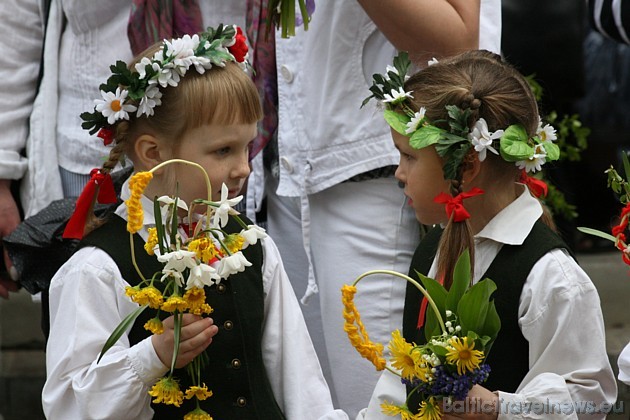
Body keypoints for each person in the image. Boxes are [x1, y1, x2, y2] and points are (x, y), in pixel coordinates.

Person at [41, 25, 347, 420]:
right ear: (152, 152)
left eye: (247, 147)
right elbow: (69, 407)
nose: (243, 168)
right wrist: (151, 357)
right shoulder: (97, 269)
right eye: (223, 150)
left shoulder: (252, 246)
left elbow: (302, 385)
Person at [245, 1, 502, 416]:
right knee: (305, 400)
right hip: (290, 167)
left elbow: (457, 39)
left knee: (380, 400)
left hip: (376, 172)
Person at [358, 50, 617, 419]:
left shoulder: (550, 278)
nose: (399, 173)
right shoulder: (433, 248)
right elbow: (401, 384)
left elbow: (591, 400)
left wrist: (498, 408)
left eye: (409, 157)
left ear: (466, 165)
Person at [0, 0, 249, 297]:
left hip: (230, 131)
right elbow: (14, 26)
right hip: (89, 154)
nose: (243, 167)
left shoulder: (250, 224)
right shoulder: (91, 267)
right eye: (227, 151)